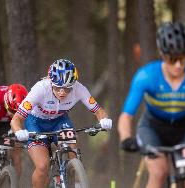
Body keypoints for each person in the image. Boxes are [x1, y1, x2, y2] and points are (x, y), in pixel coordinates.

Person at [118, 22, 185, 188]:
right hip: (153, 128)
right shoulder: (146, 76)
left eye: (183, 58)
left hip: (184, 128)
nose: (178, 65)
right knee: (159, 171)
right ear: (163, 55)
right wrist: (126, 138)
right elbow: (126, 115)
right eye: (173, 59)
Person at [11, 59, 113, 188]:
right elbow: (17, 118)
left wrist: (103, 120)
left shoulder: (79, 89)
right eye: (58, 87)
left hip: (59, 121)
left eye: (67, 88)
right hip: (36, 123)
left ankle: (75, 182)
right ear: (51, 82)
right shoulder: (40, 89)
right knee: (43, 166)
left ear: (73, 85)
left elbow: (98, 110)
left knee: (73, 153)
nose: (62, 92)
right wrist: (19, 131)